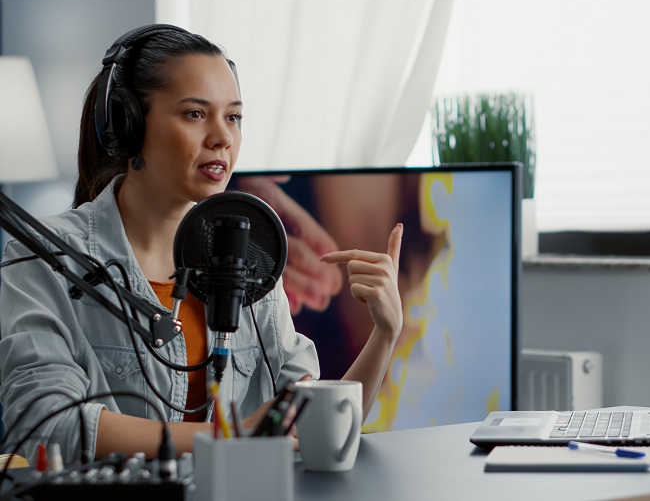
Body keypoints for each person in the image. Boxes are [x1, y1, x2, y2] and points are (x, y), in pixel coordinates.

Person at [0, 25, 404, 462]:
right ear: (128, 124)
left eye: (233, 117)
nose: (223, 137)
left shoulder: (248, 256)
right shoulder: (45, 255)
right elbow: (47, 423)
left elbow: (311, 424)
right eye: (195, 114)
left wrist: (385, 333)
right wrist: (231, 438)